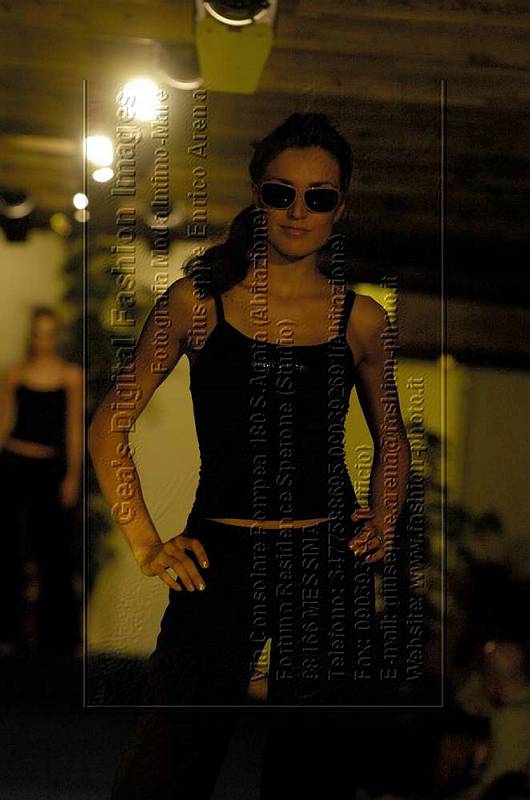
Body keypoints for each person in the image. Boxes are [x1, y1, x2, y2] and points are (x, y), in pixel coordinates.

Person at [88, 113, 412, 799]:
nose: (298, 211)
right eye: (281, 192)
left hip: (328, 565)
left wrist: (384, 519)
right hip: (219, 560)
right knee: (162, 770)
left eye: (318, 197)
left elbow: (393, 437)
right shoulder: (197, 304)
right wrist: (145, 542)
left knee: (312, 778)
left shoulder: (361, 319)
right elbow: (109, 423)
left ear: (340, 206)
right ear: (258, 193)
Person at [0, 305, 82, 656]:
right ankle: (8, 634)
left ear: (56, 337)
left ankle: (60, 639)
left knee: (55, 553)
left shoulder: (71, 376)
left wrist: (73, 476)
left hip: (50, 470)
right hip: (14, 464)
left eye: (49, 333)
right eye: (38, 333)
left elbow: (73, 430)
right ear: (31, 336)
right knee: (9, 551)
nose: (42, 340)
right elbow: (4, 422)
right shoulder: (14, 374)